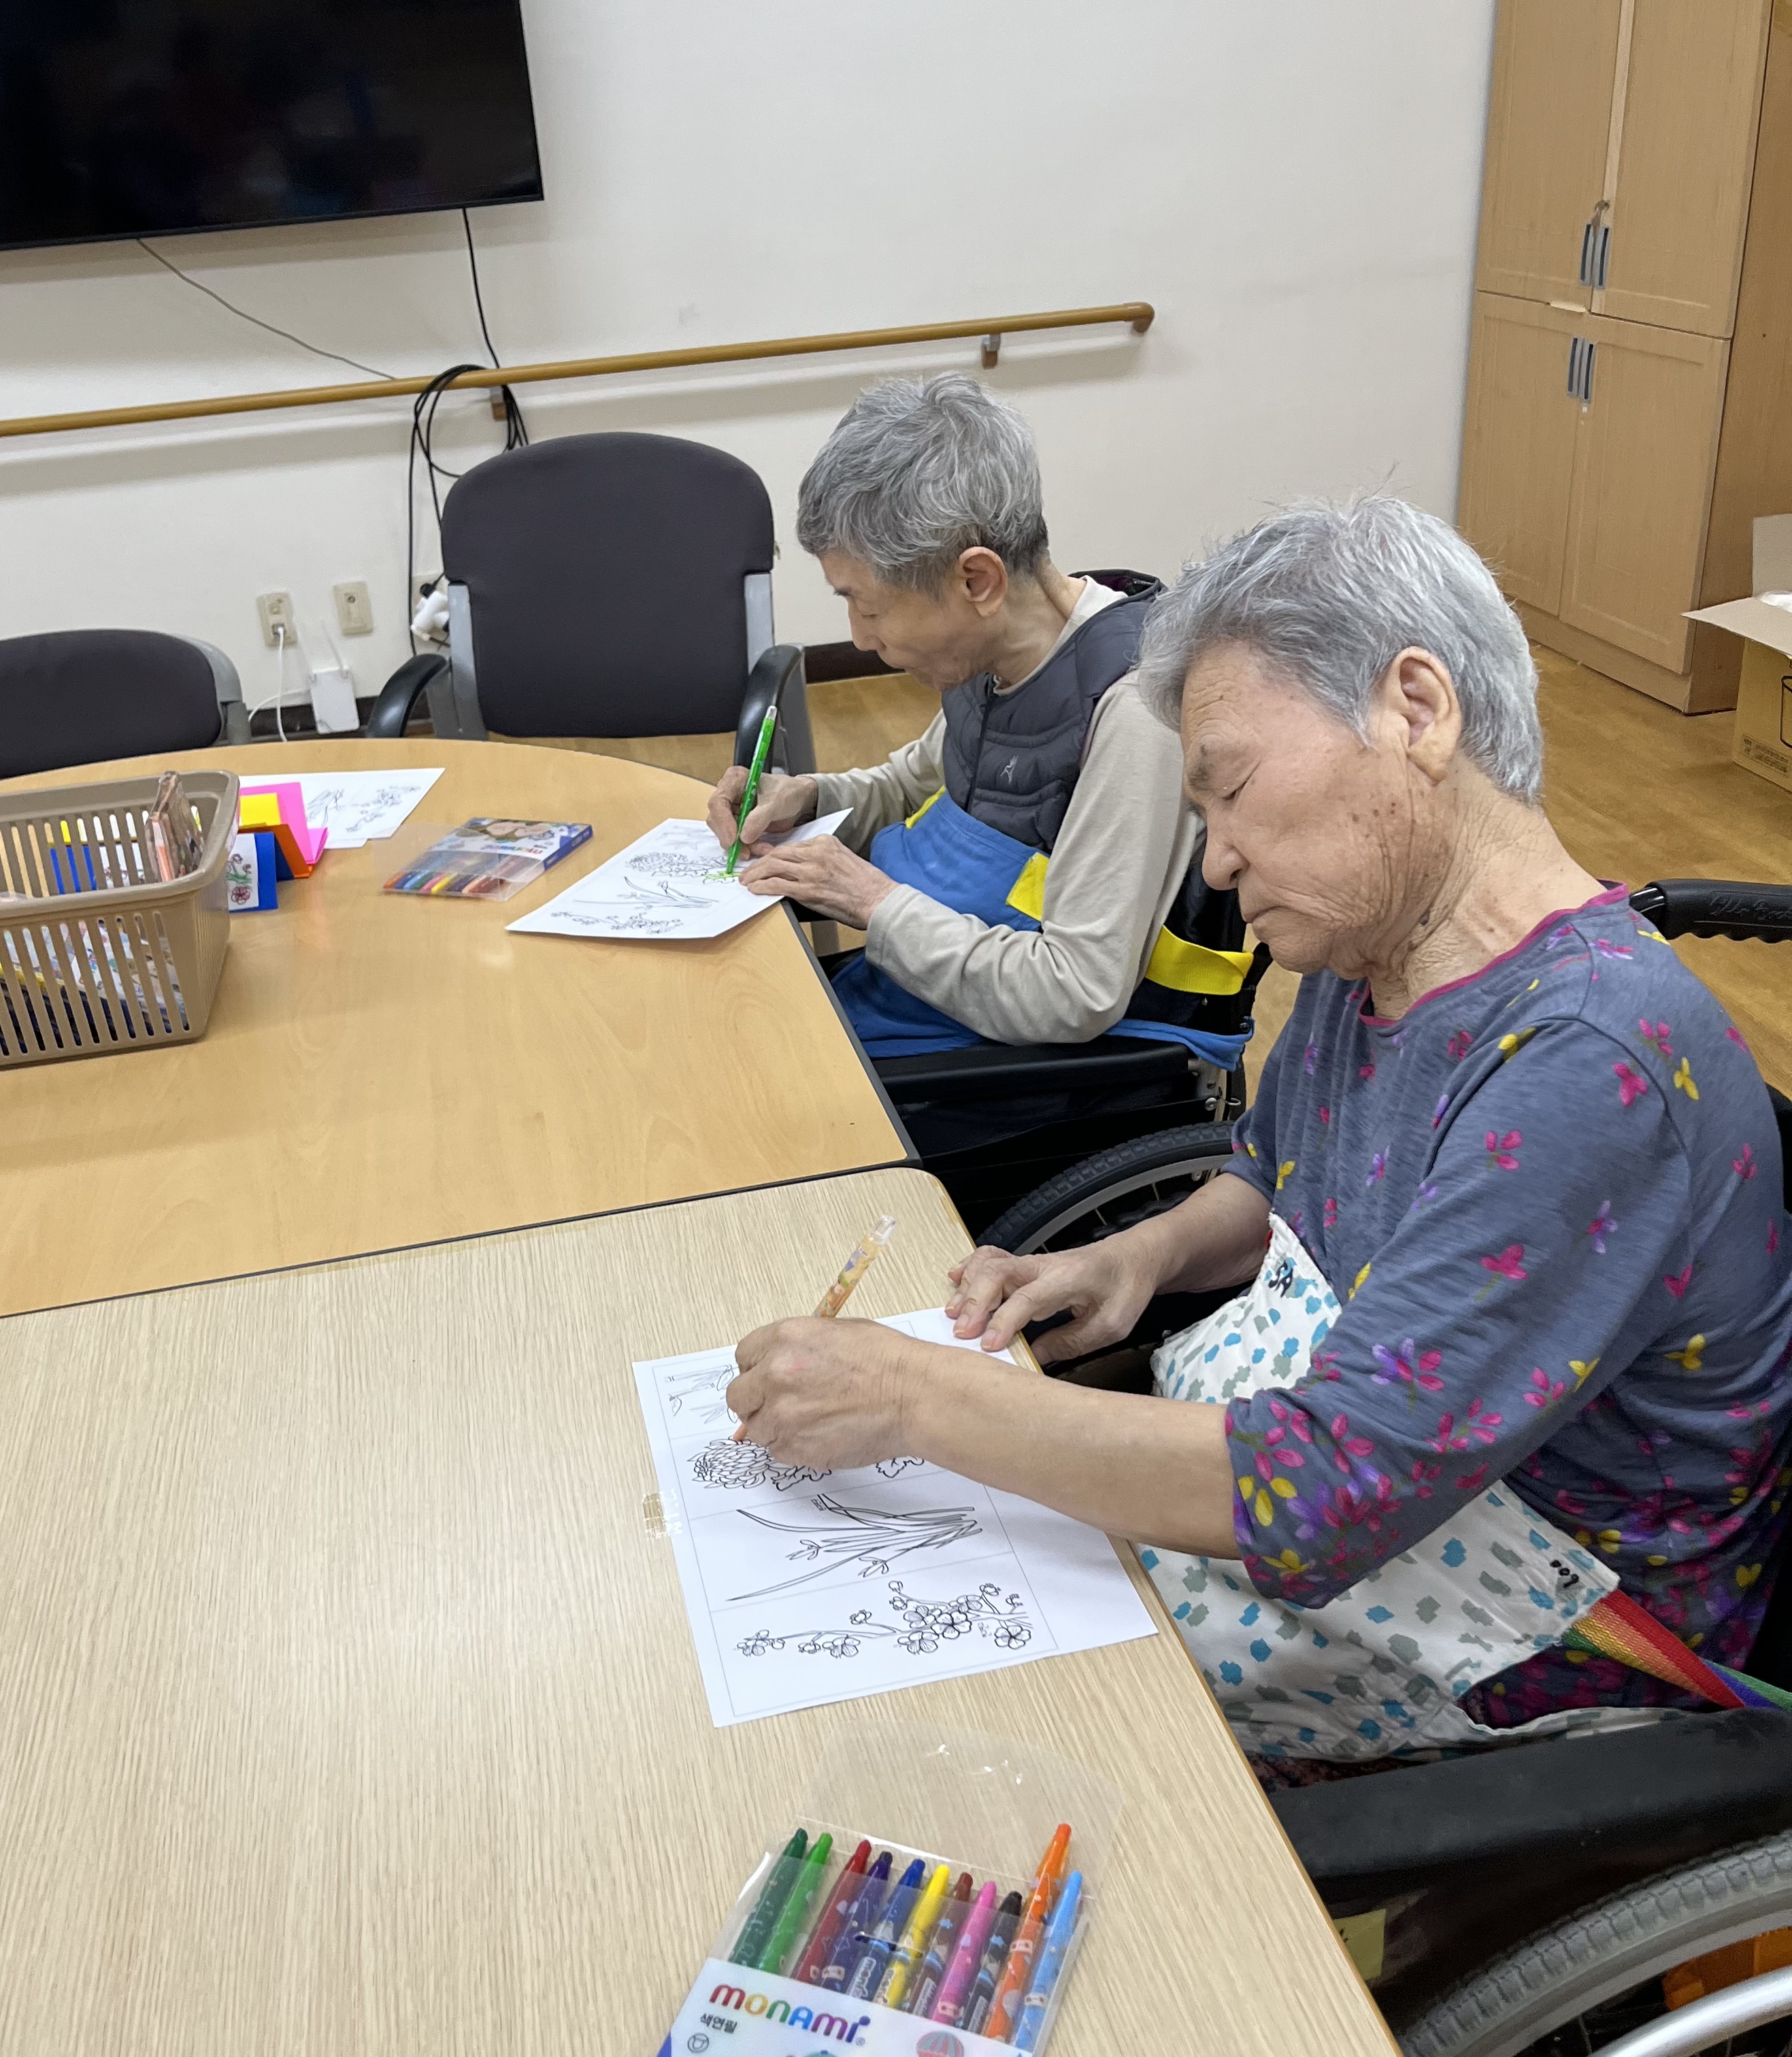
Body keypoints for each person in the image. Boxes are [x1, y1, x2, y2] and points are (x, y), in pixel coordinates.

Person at [724, 496, 1792, 1762]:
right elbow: (1272, 1178)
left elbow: (1319, 1489)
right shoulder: (1371, 944)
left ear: (1415, 710)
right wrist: (1137, 1257)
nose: (1219, 862)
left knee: (966, 1690)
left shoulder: (1586, 1064)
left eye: (1228, 793)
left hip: (1540, 1636)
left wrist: (913, 1394)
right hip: (1380, 1486)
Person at [706, 374, 1246, 1065]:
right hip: (929, 1000)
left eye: (869, 607)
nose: (860, 638)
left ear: (977, 581)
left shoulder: (1134, 713)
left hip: (1023, 1068)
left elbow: (1076, 990)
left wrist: (873, 903)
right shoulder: (991, 657)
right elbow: (915, 787)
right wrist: (810, 797)